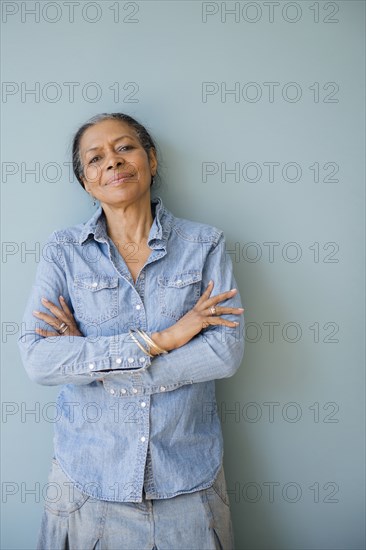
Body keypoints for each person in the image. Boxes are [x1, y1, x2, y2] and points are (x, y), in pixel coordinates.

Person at [17, 112, 245, 550]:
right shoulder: (63, 252)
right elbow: (38, 360)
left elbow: (224, 352)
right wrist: (164, 339)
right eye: (96, 158)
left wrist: (94, 361)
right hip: (87, 482)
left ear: (151, 160)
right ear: (86, 181)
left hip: (187, 480)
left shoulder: (205, 245)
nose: (113, 162)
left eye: (125, 148)